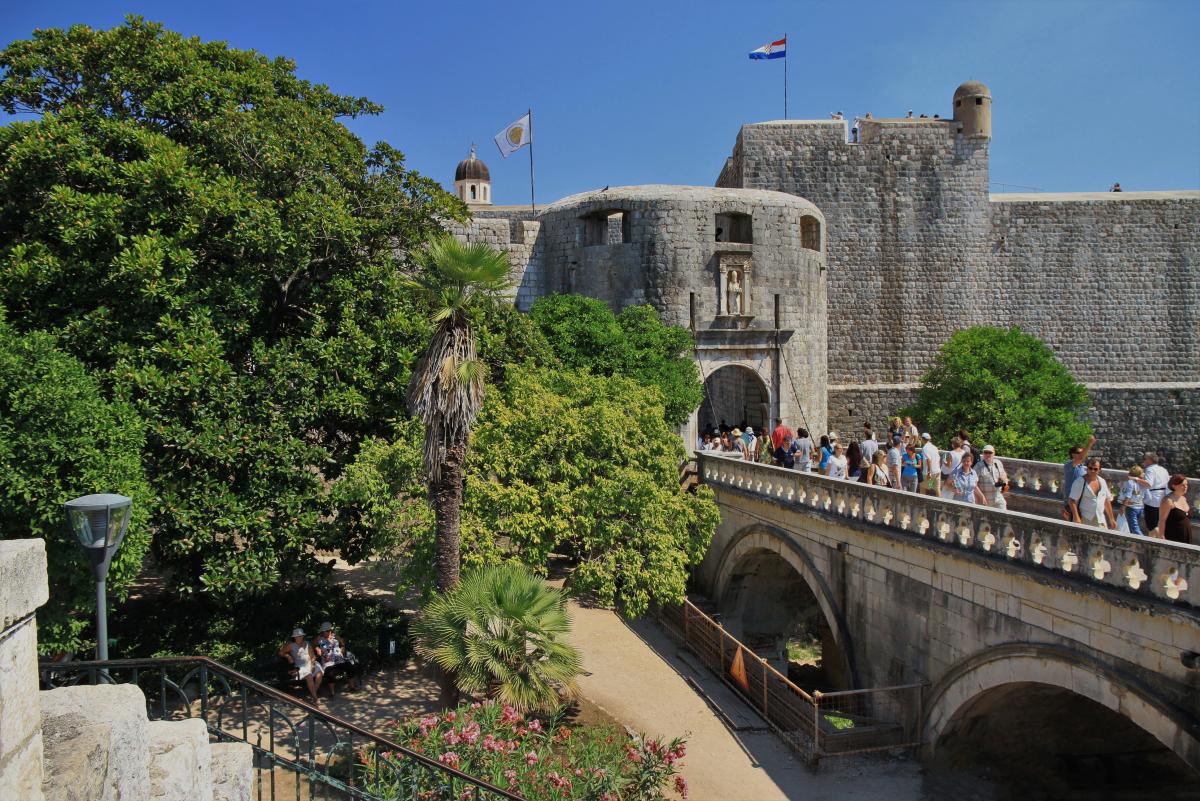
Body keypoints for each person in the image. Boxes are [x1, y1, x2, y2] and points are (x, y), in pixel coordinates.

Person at [1069, 458, 1117, 529]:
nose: (1092, 471)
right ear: (1087, 469)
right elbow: (1071, 500)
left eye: (1095, 469)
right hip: (1085, 518)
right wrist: (1076, 517)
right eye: (1090, 468)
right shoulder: (1080, 481)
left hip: (1100, 519)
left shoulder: (1102, 482)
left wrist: (1111, 519)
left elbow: (1106, 500)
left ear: (1099, 470)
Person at [279, 628, 324, 703]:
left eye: (301, 636)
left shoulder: (307, 643)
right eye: (298, 636)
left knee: (320, 674)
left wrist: (312, 665)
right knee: (309, 676)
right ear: (294, 637)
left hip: (310, 663)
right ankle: (315, 697)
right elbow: (281, 652)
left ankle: (313, 693)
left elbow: (312, 656)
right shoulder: (291, 645)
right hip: (300, 666)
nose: (300, 637)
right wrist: (288, 656)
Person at [314, 621, 359, 692]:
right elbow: (316, 646)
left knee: (349, 666)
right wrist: (319, 651)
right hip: (328, 661)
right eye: (324, 631)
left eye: (328, 630)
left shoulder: (335, 637)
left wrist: (342, 650)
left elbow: (342, 643)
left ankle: (351, 687)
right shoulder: (320, 639)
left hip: (339, 660)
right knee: (329, 672)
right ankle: (332, 692)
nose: (326, 632)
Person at [1061, 436, 1098, 520]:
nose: (1083, 454)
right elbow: (1081, 458)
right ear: (1073, 454)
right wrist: (1089, 443)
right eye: (1080, 453)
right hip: (1071, 501)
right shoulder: (1069, 465)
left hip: (1081, 501)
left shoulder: (1082, 468)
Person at [1156, 474, 1192, 544]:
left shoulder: (1184, 499)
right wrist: (1161, 537)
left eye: (1186, 484)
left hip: (1186, 536)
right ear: (1174, 486)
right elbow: (1162, 521)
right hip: (1173, 537)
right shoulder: (1167, 501)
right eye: (1182, 485)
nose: (1185, 487)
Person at [1141, 452, 1171, 532]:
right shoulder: (1163, 470)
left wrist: (1136, 479)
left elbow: (1148, 484)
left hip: (1152, 501)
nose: (1143, 461)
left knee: (1151, 526)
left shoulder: (1150, 470)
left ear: (1150, 460)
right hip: (1163, 499)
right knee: (1160, 523)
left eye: (1144, 459)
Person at [976, 445, 1009, 510]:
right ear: (983, 453)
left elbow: (1004, 473)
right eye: (986, 452)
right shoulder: (978, 466)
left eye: (990, 452)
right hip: (985, 500)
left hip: (998, 498)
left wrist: (1004, 480)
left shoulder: (998, 463)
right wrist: (981, 497)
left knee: (1003, 516)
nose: (988, 454)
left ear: (994, 453)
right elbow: (974, 484)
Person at [1116, 465, 1147, 536]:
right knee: (1131, 527)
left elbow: (1128, 495)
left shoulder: (1130, 482)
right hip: (1139, 507)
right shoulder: (1142, 483)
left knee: (1134, 528)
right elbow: (1147, 496)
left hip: (1131, 507)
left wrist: (1123, 507)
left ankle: (1143, 542)